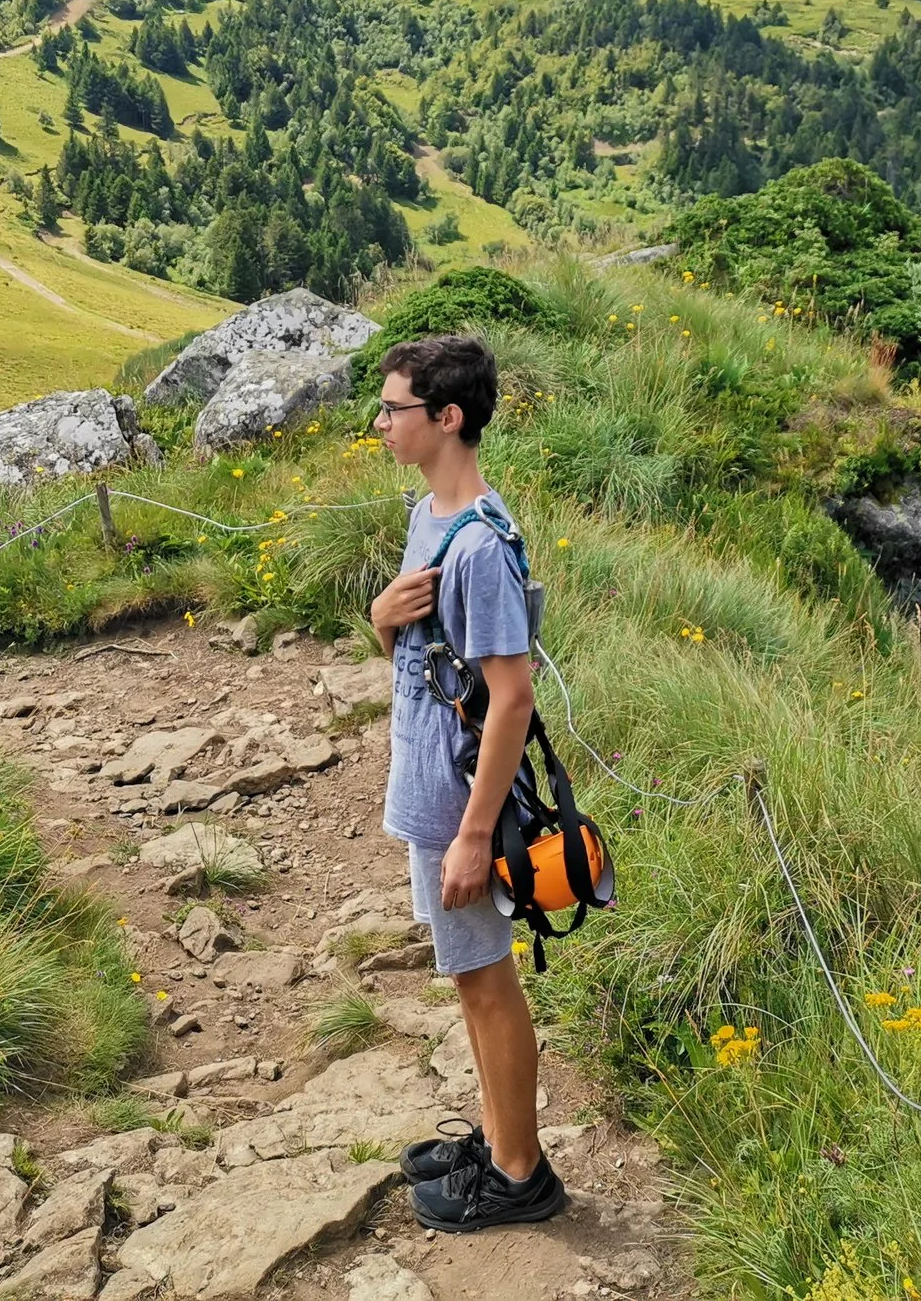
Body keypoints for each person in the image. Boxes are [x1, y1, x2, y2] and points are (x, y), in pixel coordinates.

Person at [367, 332, 567, 1232]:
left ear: (446, 417)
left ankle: (520, 1176)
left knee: (487, 981)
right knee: (467, 976)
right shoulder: (426, 517)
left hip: (460, 805)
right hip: (430, 788)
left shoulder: (481, 545)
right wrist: (381, 615)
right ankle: (496, 1139)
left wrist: (476, 834)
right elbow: (415, 657)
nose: (380, 423)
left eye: (394, 408)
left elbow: (513, 694)